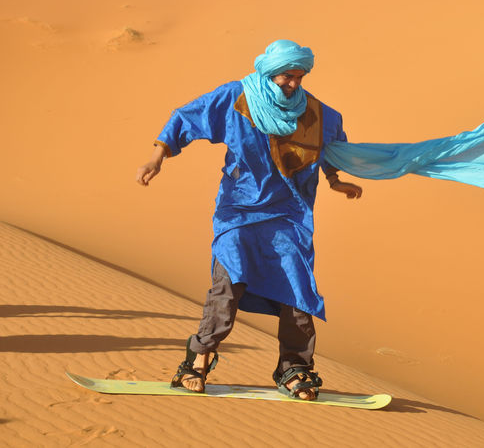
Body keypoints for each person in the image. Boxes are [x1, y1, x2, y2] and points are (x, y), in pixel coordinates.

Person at [136, 39, 362, 400]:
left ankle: (294, 368)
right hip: (238, 211)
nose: (294, 84)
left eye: (299, 77)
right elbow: (186, 116)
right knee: (226, 288)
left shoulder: (319, 115)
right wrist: (156, 157)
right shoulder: (236, 99)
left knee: (297, 292)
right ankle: (198, 359)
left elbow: (331, 145)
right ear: (270, 72)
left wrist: (335, 180)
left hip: (289, 216)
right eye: (288, 76)